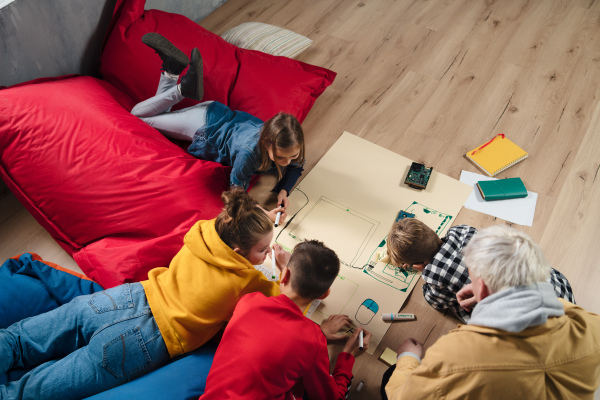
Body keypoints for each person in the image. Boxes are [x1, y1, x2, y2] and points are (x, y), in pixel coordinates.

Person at [0, 190, 282, 399]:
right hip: (147, 339)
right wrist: (282, 270)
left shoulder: (205, 232)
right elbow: (279, 307)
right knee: (28, 393)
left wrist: (257, 224)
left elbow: (231, 221)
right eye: (262, 250)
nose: (267, 253)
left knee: (19, 340)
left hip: (125, 299)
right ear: (238, 253)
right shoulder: (247, 279)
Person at [383, 225, 600, 400]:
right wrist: (497, 291)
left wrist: (408, 358)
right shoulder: (590, 323)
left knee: (388, 379)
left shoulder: (455, 353)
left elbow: (403, 396)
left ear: (484, 288)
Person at [131, 33, 306, 213]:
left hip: (216, 111)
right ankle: (183, 88)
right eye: (280, 157)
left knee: (157, 114)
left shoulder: (279, 134)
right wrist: (264, 213)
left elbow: (297, 165)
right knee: (138, 115)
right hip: (202, 126)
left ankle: (171, 70)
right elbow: (236, 190)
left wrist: (283, 191)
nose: (286, 163)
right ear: (267, 142)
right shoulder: (249, 153)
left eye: (292, 156)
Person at [201, 240, 373, 400]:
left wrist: (316, 336)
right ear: (324, 295)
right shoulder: (312, 341)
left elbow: (271, 332)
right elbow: (331, 397)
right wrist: (348, 355)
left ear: (284, 275)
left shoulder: (248, 302)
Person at [385, 218, 574, 322]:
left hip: (530, 322)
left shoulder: (435, 277)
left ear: (418, 265)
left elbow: (436, 301)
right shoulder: (463, 230)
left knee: (464, 308)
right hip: (558, 290)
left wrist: (426, 282)